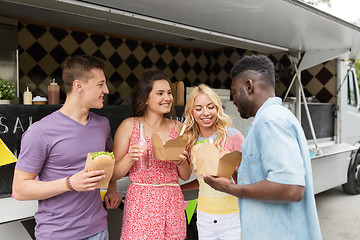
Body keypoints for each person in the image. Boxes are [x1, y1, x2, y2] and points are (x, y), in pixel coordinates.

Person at [203, 55, 322, 240]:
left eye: (234, 92)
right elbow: (266, 176)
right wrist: (235, 172)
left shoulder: (271, 121)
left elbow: (291, 187)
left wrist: (230, 189)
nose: (233, 100)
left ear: (249, 86)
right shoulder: (267, 120)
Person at [13, 55, 121, 240]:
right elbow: (20, 189)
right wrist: (69, 183)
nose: (107, 90)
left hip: (98, 230)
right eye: (100, 84)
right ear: (78, 86)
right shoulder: (40, 131)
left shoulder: (102, 124)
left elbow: (108, 162)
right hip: (58, 234)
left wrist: (112, 188)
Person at [109, 69, 191, 240]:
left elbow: (185, 175)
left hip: (172, 199)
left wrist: (179, 162)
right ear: (146, 98)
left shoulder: (177, 128)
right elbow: (114, 174)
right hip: (141, 201)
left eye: (169, 93)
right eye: (160, 93)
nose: (167, 98)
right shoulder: (129, 126)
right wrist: (130, 157)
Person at [181, 84, 244, 240]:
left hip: (232, 216)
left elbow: (247, 178)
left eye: (210, 107)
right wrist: (178, 188)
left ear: (217, 108)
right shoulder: (190, 141)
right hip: (204, 216)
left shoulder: (233, 136)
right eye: (199, 108)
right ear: (191, 112)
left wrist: (231, 171)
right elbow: (202, 180)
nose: (206, 113)